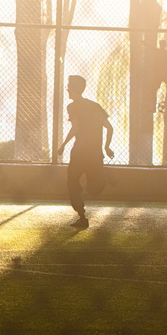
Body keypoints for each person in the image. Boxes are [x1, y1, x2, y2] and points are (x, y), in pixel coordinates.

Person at [56, 75, 114, 229]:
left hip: (80, 152)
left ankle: (82, 215)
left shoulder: (72, 107)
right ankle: (103, 177)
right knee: (94, 189)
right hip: (95, 153)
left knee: (72, 183)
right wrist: (107, 147)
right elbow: (109, 127)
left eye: (68, 86)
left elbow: (75, 128)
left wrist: (63, 145)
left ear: (74, 89)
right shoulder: (95, 106)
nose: (67, 89)